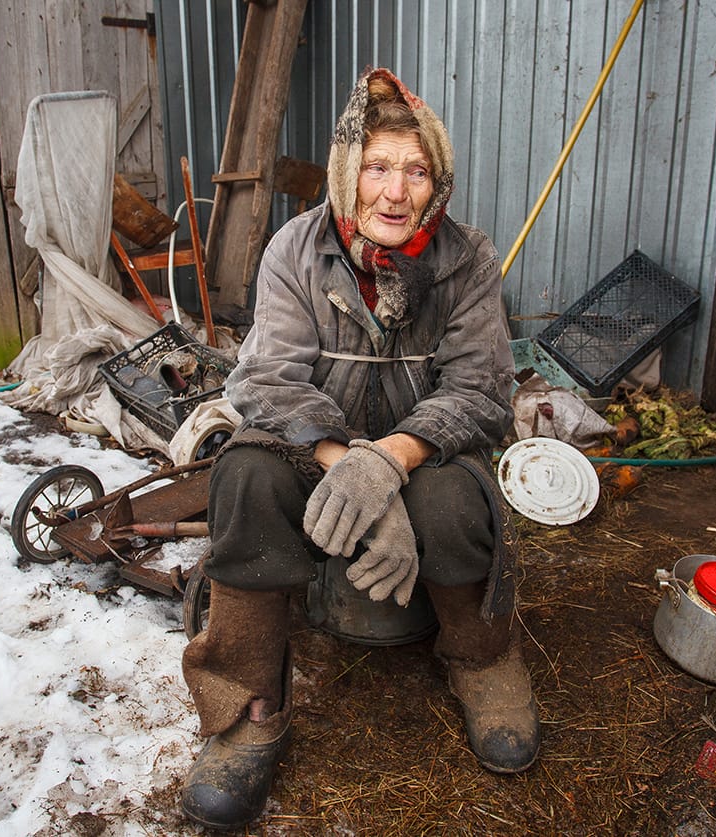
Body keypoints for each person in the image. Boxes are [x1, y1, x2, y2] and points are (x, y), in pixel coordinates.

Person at [179, 67, 538, 830]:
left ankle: (482, 657)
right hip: (318, 453)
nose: (395, 193)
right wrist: (351, 463)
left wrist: (393, 459)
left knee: (454, 504)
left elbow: (480, 391)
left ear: (437, 180)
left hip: (427, 455)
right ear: (349, 171)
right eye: (377, 167)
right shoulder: (296, 250)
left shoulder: (467, 259)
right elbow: (268, 379)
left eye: (416, 171)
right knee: (243, 474)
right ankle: (247, 700)